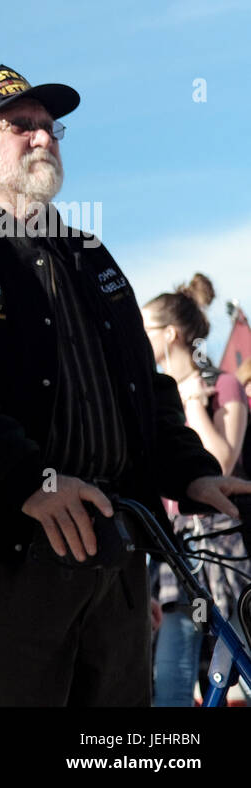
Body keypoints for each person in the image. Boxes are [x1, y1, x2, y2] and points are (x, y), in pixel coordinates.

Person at [0, 64, 251, 706]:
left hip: (102, 542)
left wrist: (190, 474)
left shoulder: (86, 252)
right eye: (20, 125)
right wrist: (26, 479)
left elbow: (140, 387)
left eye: (50, 126)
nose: (44, 137)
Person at [142, 275, 251, 706]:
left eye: (144, 327)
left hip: (224, 550)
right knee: (170, 677)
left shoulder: (221, 385)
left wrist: (192, 403)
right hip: (175, 551)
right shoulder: (150, 396)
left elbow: (221, 462)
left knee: (241, 662)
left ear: (169, 334)